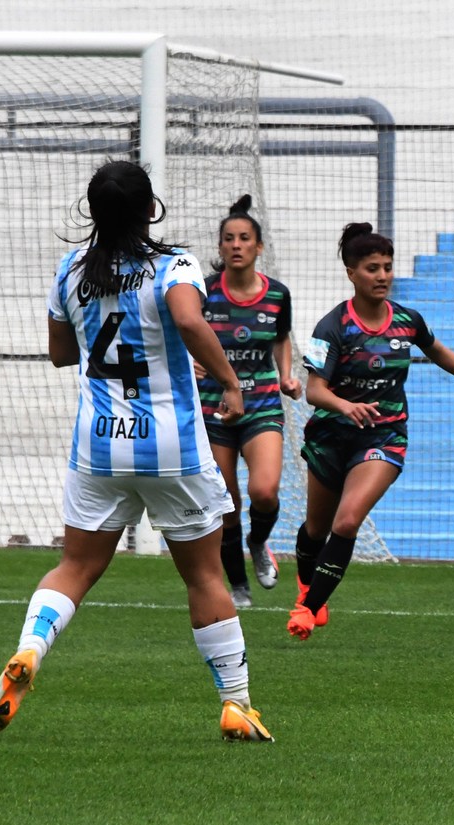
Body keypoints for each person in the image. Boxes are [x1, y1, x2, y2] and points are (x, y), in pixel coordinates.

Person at [0, 160, 272, 741]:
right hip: (171, 447)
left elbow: (63, 353)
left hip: (98, 448)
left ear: (92, 213)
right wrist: (232, 383)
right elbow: (188, 321)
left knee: (76, 566)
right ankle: (237, 704)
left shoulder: (70, 271)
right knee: (205, 578)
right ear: (150, 209)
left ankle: (30, 652)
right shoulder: (174, 263)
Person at [286, 223, 454, 640]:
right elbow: (314, 392)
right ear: (351, 272)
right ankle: (307, 584)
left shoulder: (407, 321)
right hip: (330, 439)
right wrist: (345, 405)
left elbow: (437, 349)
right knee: (316, 529)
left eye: (388, 267)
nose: (383, 276)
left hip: (383, 438)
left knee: (349, 519)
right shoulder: (332, 327)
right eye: (373, 268)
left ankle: (308, 607)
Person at [196, 195, 302, 610]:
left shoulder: (277, 296)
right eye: (229, 239)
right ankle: (238, 585)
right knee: (226, 502)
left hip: (261, 404)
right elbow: (181, 334)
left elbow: (280, 337)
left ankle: (258, 543)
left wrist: (287, 375)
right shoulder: (203, 294)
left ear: (259, 247)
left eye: (244, 238)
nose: (236, 245)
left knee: (265, 491)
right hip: (213, 409)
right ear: (220, 248)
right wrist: (191, 361)